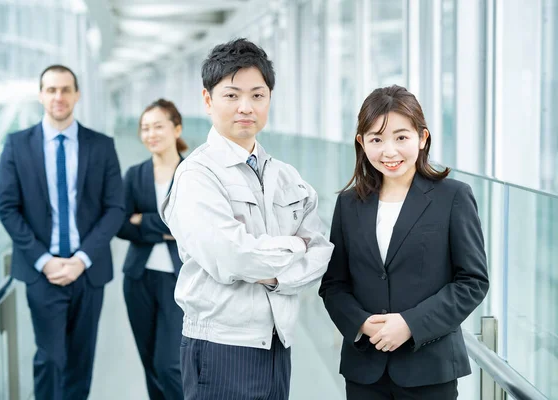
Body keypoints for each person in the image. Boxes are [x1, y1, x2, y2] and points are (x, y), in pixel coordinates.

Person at [160, 38, 334, 400]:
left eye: (257, 95)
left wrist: (270, 270)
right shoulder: (197, 174)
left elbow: (320, 250)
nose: (246, 107)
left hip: (276, 343)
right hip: (220, 346)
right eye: (232, 95)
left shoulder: (285, 175)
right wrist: (293, 247)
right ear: (208, 100)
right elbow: (232, 256)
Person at [319, 85, 489, 399]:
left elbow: (472, 281)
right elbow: (333, 284)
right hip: (364, 372)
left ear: (422, 138)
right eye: (376, 139)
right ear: (362, 143)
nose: (389, 151)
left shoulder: (453, 197)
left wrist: (410, 324)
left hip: (429, 370)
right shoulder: (348, 204)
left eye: (401, 137)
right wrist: (363, 324)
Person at [0, 65, 124, 400]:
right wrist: (43, 259)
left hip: (88, 270)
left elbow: (115, 209)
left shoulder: (101, 145)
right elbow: (8, 208)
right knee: (50, 358)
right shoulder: (17, 145)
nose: (59, 97)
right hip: (42, 271)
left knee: (81, 361)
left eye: (66, 89)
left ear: (77, 95)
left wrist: (81, 259)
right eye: (51, 90)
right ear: (41, 95)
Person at [116, 99, 187, 400]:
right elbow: (120, 224)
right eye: (145, 128)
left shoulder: (194, 172)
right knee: (150, 363)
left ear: (176, 128)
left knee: (169, 363)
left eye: (158, 126)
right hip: (138, 278)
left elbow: (195, 226)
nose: (151, 134)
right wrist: (166, 227)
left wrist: (142, 221)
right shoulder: (135, 174)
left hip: (180, 279)